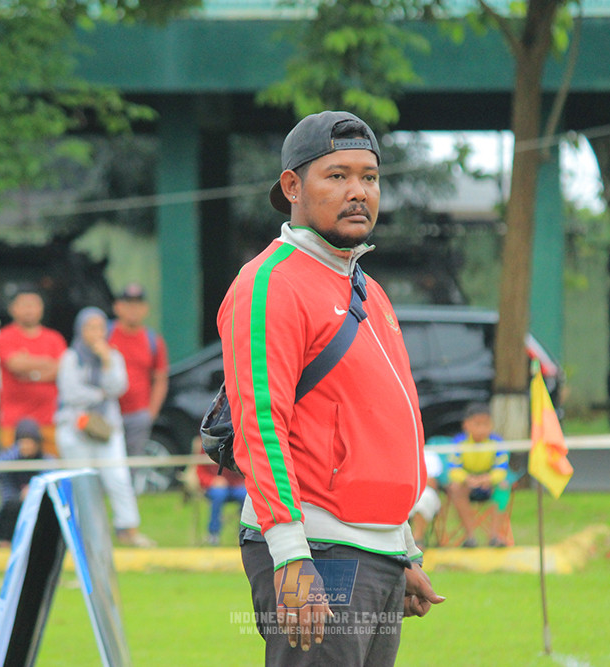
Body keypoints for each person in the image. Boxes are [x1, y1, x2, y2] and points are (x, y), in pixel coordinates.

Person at [218, 110, 443, 664]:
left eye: (369, 176)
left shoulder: (368, 289)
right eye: (337, 175)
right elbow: (260, 426)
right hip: (319, 552)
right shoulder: (271, 283)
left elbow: (381, 426)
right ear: (292, 186)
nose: (358, 192)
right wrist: (292, 554)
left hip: (376, 551)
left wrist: (401, 548)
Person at [55, 307, 154, 548]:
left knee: (118, 477)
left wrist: (107, 360)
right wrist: (101, 393)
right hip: (75, 428)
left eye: (100, 327)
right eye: (90, 327)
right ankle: (83, 533)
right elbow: (71, 393)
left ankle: (127, 528)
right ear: (80, 329)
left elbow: (119, 386)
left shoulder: (113, 356)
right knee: (81, 480)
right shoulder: (71, 357)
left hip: (107, 427)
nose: (96, 333)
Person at [0, 289, 67, 457]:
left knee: (51, 469)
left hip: (49, 419)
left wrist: (30, 372)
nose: (29, 310)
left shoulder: (54, 338)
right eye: (24, 305)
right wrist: (47, 362)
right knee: (15, 470)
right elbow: (15, 364)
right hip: (13, 421)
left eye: (33, 305)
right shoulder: (5, 336)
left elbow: (62, 369)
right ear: (13, 309)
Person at [108, 282, 170, 464]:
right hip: (108, 412)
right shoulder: (106, 334)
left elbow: (160, 379)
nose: (133, 310)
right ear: (117, 307)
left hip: (138, 413)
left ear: (145, 309)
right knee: (108, 463)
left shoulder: (153, 340)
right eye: (128, 305)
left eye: (138, 305)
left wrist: (150, 413)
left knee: (133, 463)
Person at [443, 402, 513, 548]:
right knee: (455, 487)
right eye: (477, 424)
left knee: (504, 485)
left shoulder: (497, 443)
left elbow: (501, 470)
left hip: (489, 484)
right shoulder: (458, 443)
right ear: (466, 425)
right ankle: (470, 537)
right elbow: (453, 470)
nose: (482, 429)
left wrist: (488, 478)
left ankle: (494, 537)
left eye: (486, 424)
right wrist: (468, 479)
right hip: (467, 485)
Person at [0, 417, 52, 547]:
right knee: (12, 505)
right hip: (13, 508)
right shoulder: (11, 459)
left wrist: (33, 490)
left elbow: (52, 478)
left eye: (30, 442)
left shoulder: (46, 460)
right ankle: (5, 543)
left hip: (38, 506)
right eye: (23, 442)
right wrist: (16, 452)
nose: (27, 446)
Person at [192, 435, 246, 546]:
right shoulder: (205, 442)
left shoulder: (237, 439)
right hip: (213, 487)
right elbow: (199, 471)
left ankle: (244, 532)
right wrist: (212, 480)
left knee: (246, 494)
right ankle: (213, 534)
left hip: (235, 485)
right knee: (219, 494)